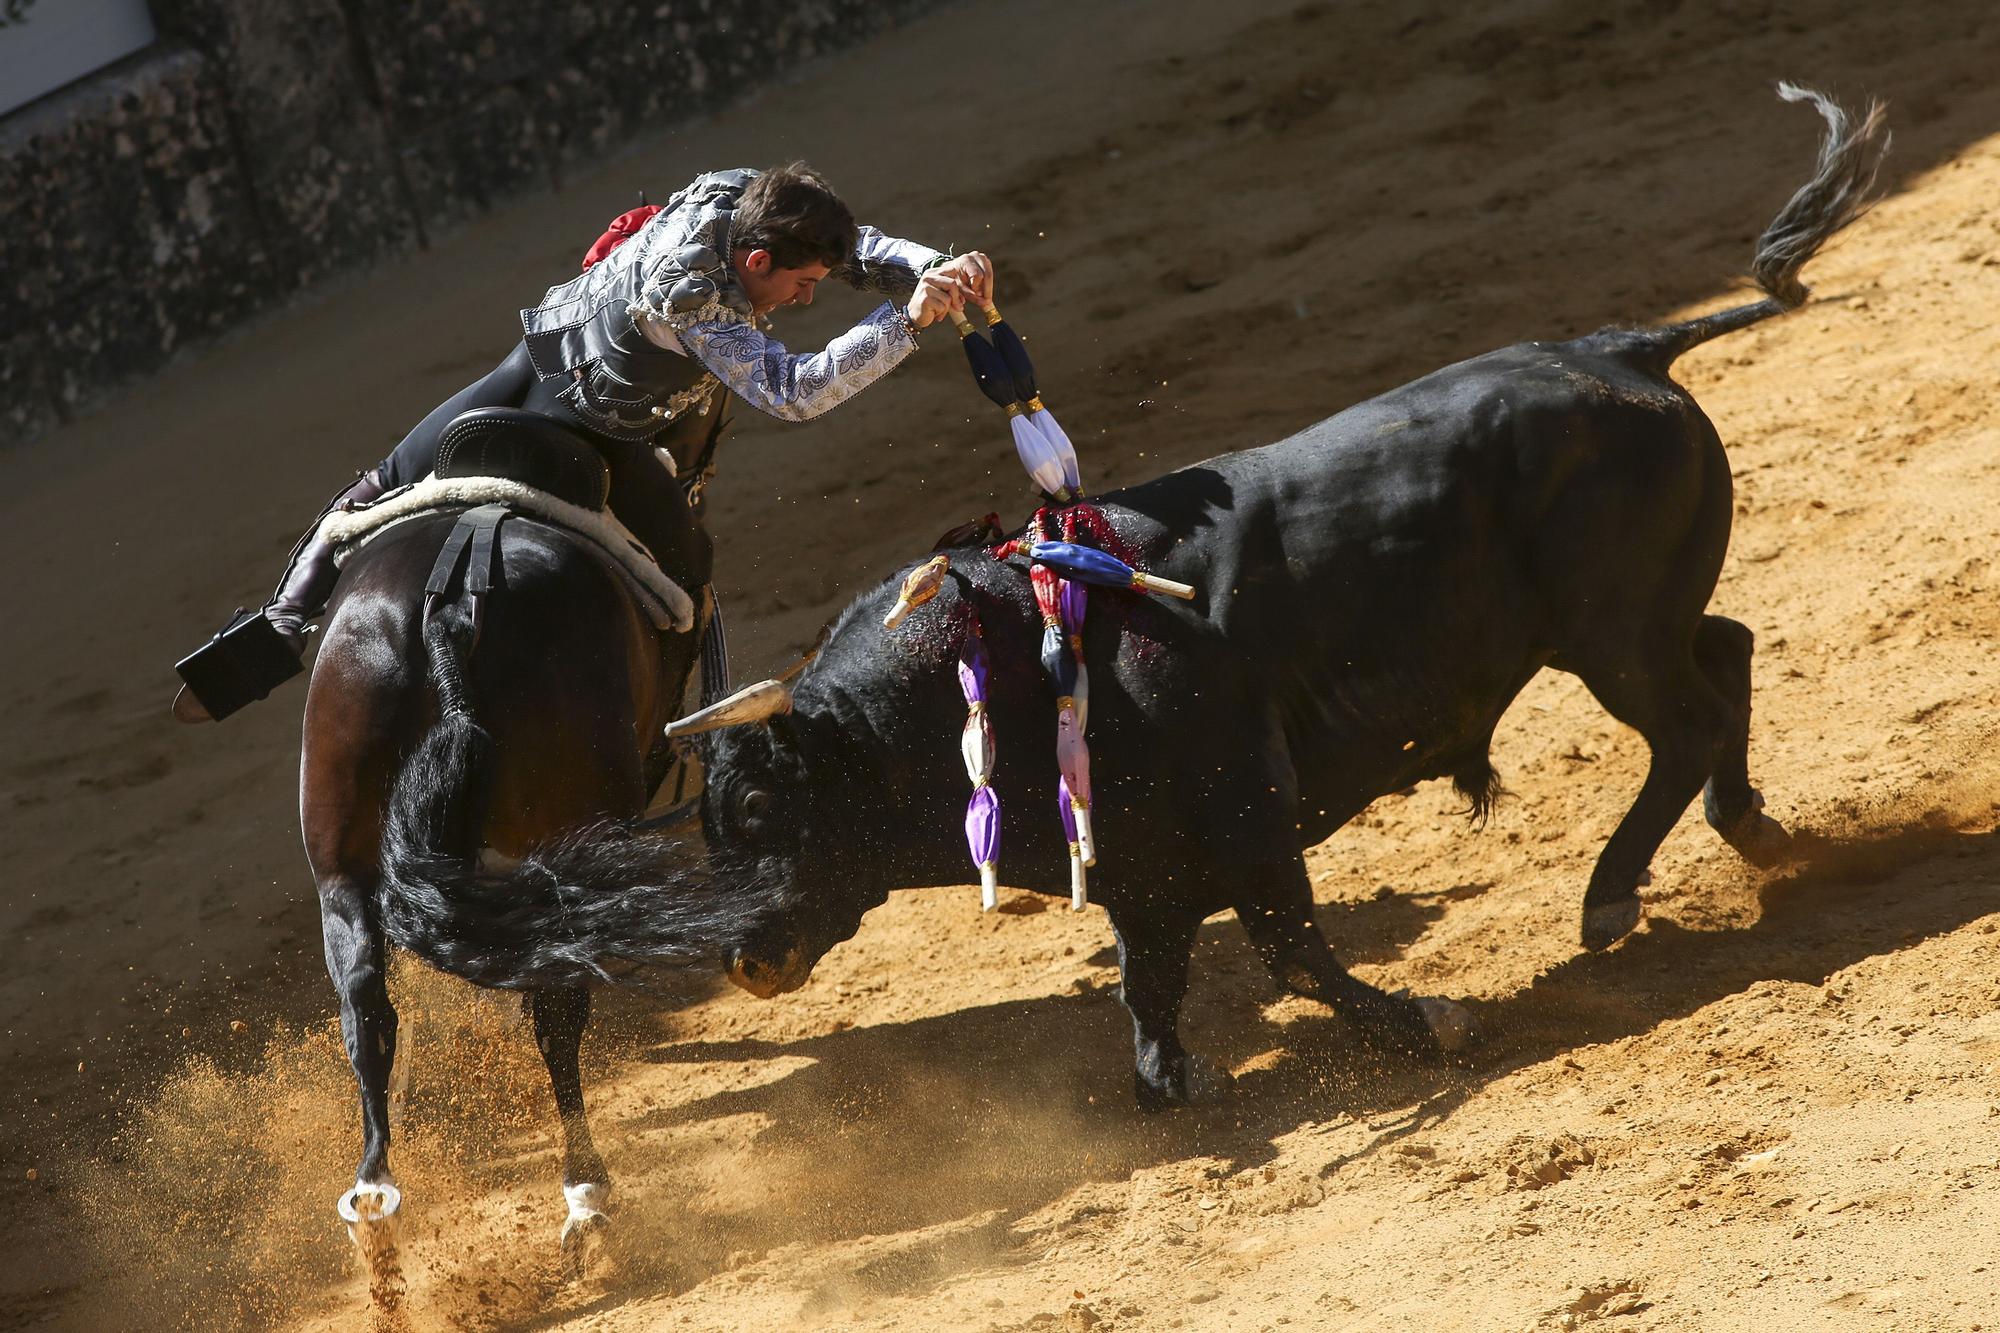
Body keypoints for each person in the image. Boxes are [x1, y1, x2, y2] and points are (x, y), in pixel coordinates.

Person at [177, 162, 989, 720]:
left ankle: (285, 623)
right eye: (800, 287)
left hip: (530, 362)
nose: (807, 300)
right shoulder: (692, 296)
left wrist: (934, 266)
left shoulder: (744, 192)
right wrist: (905, 320)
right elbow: (795, 390)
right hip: (603, 431)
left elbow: (854, 247)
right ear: (756, 258)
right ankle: (681, 735)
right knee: (687, 576)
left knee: (382, 482)